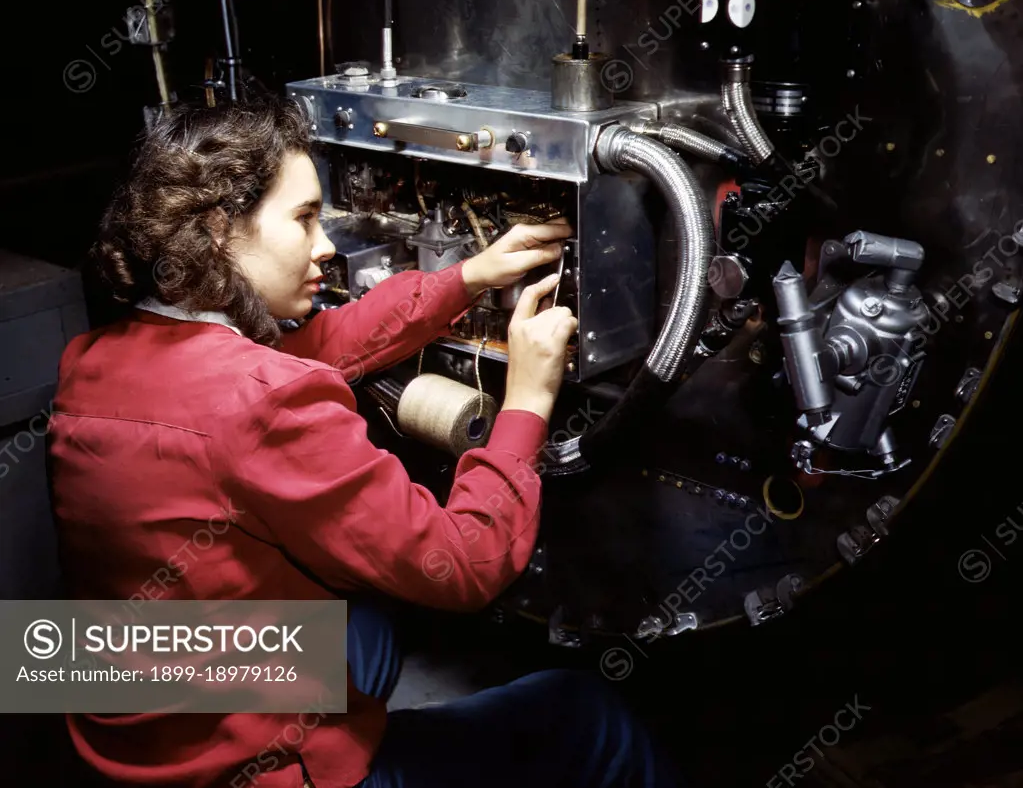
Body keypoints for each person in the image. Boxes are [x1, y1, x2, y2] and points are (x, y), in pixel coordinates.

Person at [47, 95, 681, 788]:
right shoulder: (264, 401)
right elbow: (464, 564)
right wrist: (527, 398)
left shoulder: (90, 360)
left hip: (126, 731)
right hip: (242, 771)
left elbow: (308, 352)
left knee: (372, 627)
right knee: (587, 711)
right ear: (218, 230)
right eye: (304, 218)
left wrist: (467, 277)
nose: (326, 245)